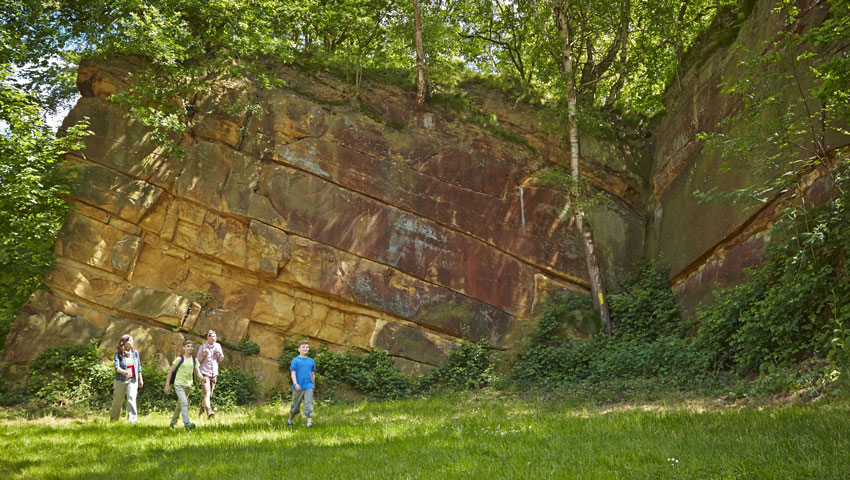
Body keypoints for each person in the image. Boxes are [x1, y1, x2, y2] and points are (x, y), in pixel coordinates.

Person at [165, 339, 203, 430]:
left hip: (188, 385)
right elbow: (170, 371)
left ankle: (173, 423)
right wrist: (167, 385)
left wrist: (203, 378)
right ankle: (187, 424)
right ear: (184, 348)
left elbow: (198, 373)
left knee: (180, 404)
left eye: (191, 346)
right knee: (184, 403)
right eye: (188, 346)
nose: (190, 348)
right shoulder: (179, 359)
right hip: (178, 384)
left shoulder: (194, 360)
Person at [110, 334, 144, 424]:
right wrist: (122, 371)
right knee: (117, 400)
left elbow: (138, 367)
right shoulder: (118, 354)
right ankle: (114, 420)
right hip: (120, 380)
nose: (133, 342)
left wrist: (141, 379)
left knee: (132, 399)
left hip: (132, 380)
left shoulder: (135, 353)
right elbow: (116, 366)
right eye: (130, 340)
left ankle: (132, 421)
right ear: (125, 342)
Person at [196, 330, 224, 418]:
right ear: (208, 338)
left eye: (215, 336)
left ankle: (201, 410)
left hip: (214, 374)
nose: (215, 338)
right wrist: (203, 355)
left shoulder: (218, 346)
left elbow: (221, 359)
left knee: (209, 395)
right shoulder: (202, 347)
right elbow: (197, 361)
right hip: (205, 373)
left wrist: (219, 354)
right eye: (213, 336)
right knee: (206, 393)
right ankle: (209, 411)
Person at [288, 340, 316, 428]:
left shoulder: (311, 361)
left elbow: (312, 374)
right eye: (303, 347)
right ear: (298, 349)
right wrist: (295, 384)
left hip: (309, 386)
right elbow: (293, 373)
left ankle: (309, 424)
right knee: (295, 406)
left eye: (307, 347)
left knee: (309, 405)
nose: (305, 348)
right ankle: (290, 420)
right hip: (298, 387)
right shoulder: (295, 360)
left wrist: (313, 385)